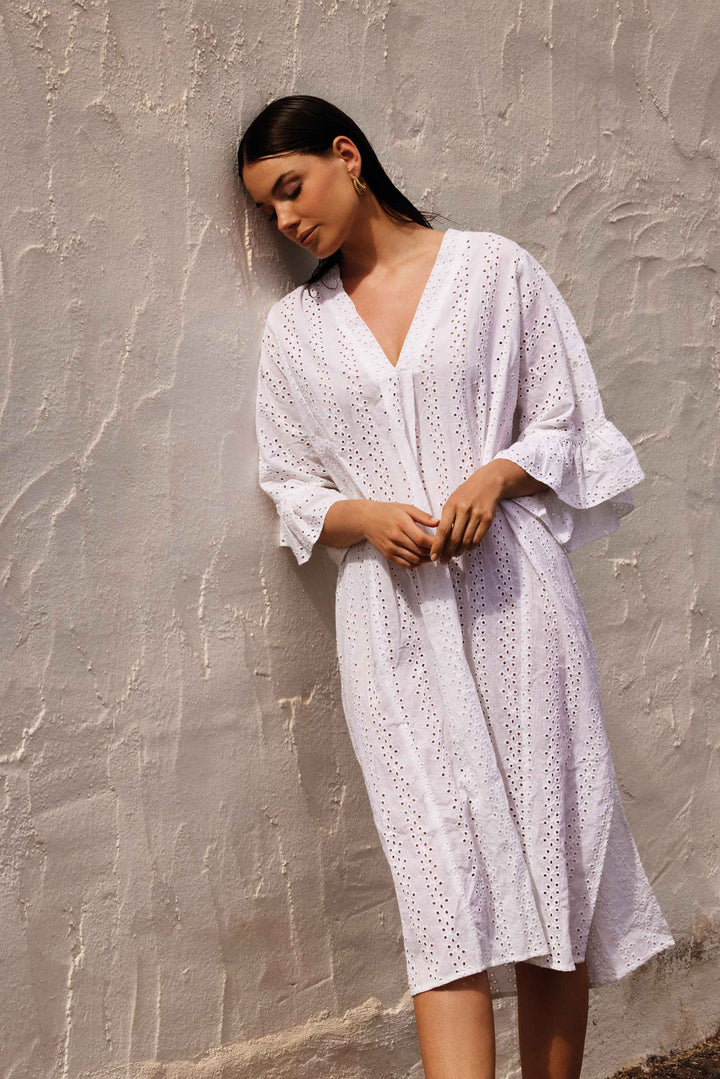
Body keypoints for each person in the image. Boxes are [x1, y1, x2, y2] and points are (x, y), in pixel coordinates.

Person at [238, 94, 675, 1079]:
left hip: (517, 606)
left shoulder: (494, 272)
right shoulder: (295, 331)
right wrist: (364, 515)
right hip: (390, 628)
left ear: (347, 156)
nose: (286, 220)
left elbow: (568, 422)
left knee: (554, 861)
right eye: (268, 210)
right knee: (443, 890)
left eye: (292, 189)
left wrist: (497, 474)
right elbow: (289, 484)